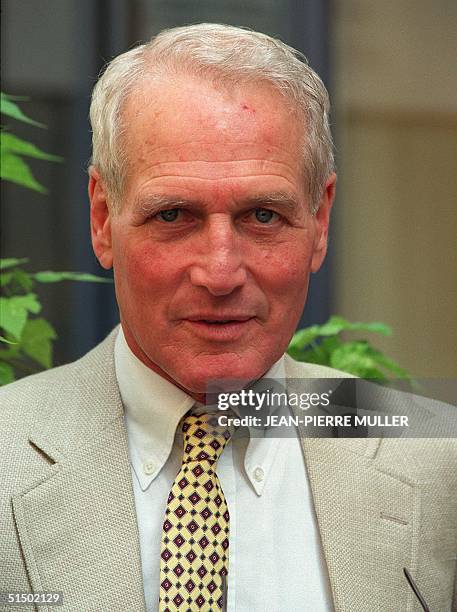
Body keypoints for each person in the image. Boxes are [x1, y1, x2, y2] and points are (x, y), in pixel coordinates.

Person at [0, 23, 455, 612]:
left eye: (263, 215)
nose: (220, 273)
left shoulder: (436, 460)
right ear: (102, 218)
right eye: (173, 216)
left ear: (319, 222)